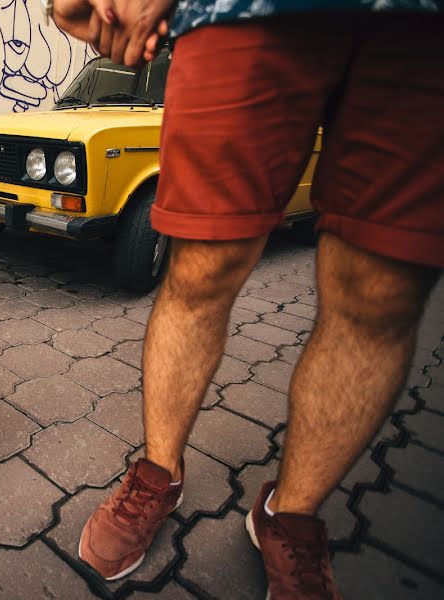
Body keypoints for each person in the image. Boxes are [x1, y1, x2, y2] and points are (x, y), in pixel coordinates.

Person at [54, 0, 444, 596]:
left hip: (421, 29)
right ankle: (158, 474)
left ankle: (289, 516)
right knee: (199, 269)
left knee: (381, 293)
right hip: (241, 13)